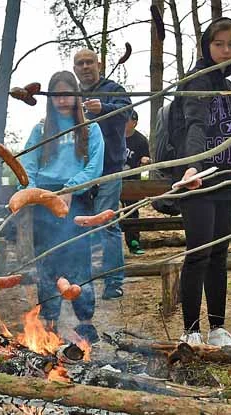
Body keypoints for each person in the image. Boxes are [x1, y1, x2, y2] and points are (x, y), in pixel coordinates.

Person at [170, 18, 231, 346]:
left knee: (219, 253)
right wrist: (191, 167)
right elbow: (192, 126)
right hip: (198, 179)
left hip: (225, 177)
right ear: (207, 45)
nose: (225, 50)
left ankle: (217, 327)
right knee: (199, 252)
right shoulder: (196, 80)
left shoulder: (228, 86)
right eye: (218, 44)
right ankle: (190, 330)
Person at [20, 71, 105, 344]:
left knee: (79, 260)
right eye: (56, 95)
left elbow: (94, 166)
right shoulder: (41, 129)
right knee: (47, 262)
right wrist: (35, 193)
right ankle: (49, 322)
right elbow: (27, 167)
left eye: (67, 93)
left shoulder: (90, 128)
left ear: (77, 96)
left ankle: (85, 321)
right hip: (45, 200)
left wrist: (71, 188)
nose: (62, 100)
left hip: (78, 199)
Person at [73, 47, 130, 300]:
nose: (85, 67)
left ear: (99, 64)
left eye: (89, 62)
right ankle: (82, 281)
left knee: (107, 224)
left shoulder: (114, 90)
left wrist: (103, 108)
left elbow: (127, 111)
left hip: (109, 168)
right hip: (80, 171)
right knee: (79, 225)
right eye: (80, 64)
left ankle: (113, 282)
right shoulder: (71, 95)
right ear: (75, 69)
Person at [122, 110, 150, 255]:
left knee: (132, 211)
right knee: (110, 212)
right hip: (114, 179)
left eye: (128, 120)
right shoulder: (115, 136)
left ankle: (133, 242)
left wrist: (145, 161)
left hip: (132, 181)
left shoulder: (141, 140)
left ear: (134, 123)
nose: (125, 123)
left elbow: (146, 159)